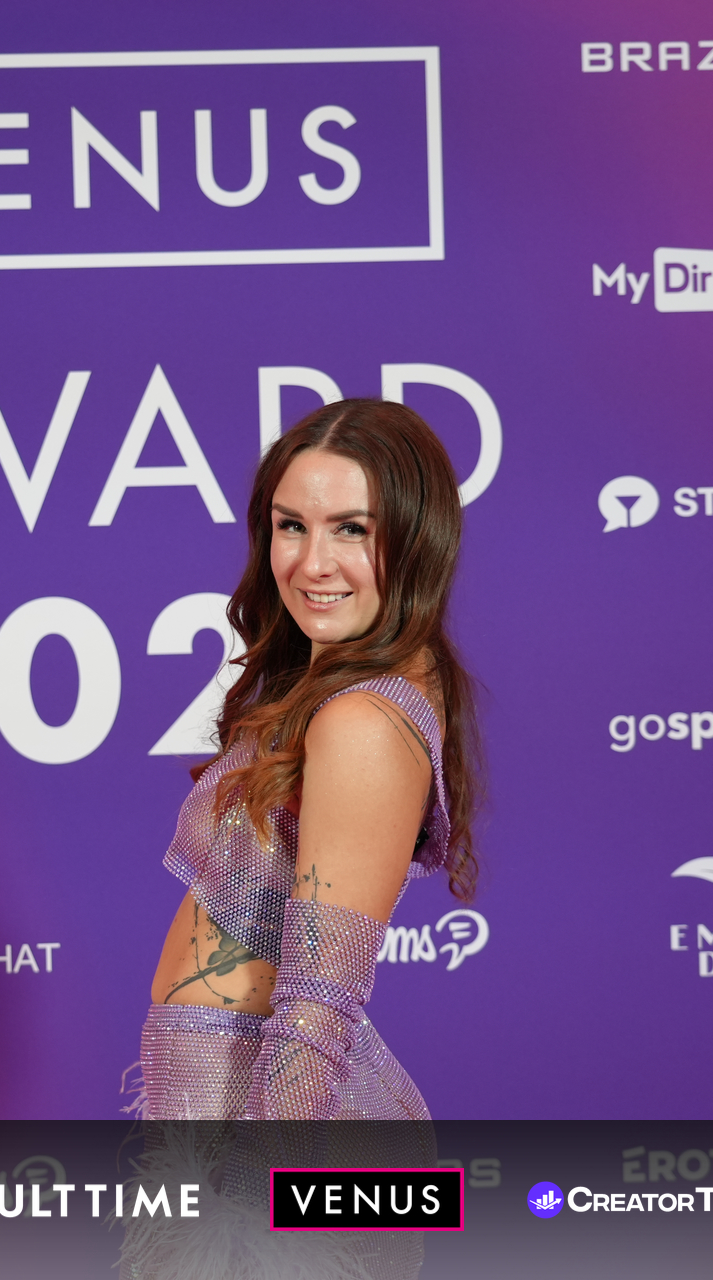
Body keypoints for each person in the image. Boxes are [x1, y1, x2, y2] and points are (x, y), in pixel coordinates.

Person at [133, 397, 483, 1123]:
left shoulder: (362, 721)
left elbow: (319, 1008)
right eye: (291, 525)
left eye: (352, 529)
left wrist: (268, 1186)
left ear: (419, 539)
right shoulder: (349, 691)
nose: (312, 563)